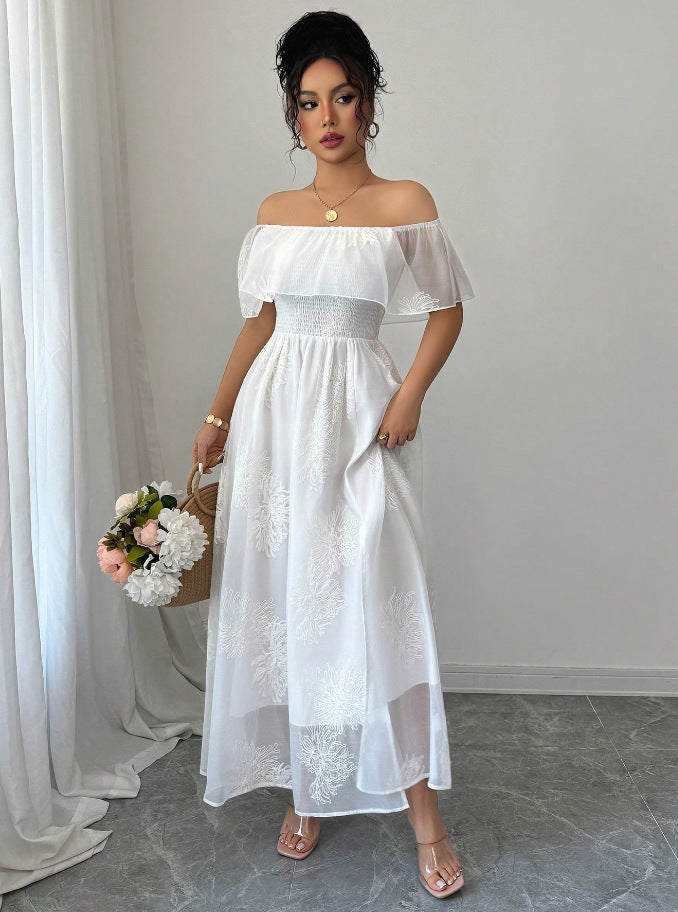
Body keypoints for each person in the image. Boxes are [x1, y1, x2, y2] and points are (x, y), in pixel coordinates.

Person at [191, 11, 474, 900]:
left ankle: (426, 819)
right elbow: (261, 325)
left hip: (359, 415)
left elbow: (447, 311)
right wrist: (218, 413)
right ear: (292, 114)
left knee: (381, 603)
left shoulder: (405, 203)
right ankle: (308, 791)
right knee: (291, 600)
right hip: (276, 422)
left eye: (343, 97)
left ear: (368, 103)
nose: (328, 117)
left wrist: (409, 394)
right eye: (310, 102)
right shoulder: (274, 215)